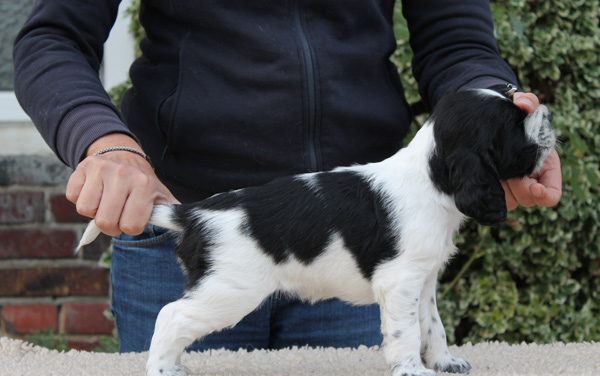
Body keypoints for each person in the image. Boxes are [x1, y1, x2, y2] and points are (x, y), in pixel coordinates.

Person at [13, 1, 561, 353]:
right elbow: (53, 37)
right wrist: (103, 141)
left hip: (363, 230)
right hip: (194, 221)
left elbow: (454, 38)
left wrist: (498, 116)